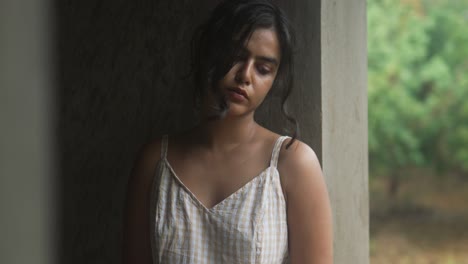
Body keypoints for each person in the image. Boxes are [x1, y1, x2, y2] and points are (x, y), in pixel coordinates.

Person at [123, 0, 333, 263]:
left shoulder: (292, 163)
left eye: (263, 69)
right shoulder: (155, 162)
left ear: (274, 79)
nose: (245, 75)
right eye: (236, 56)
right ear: (209, 51)